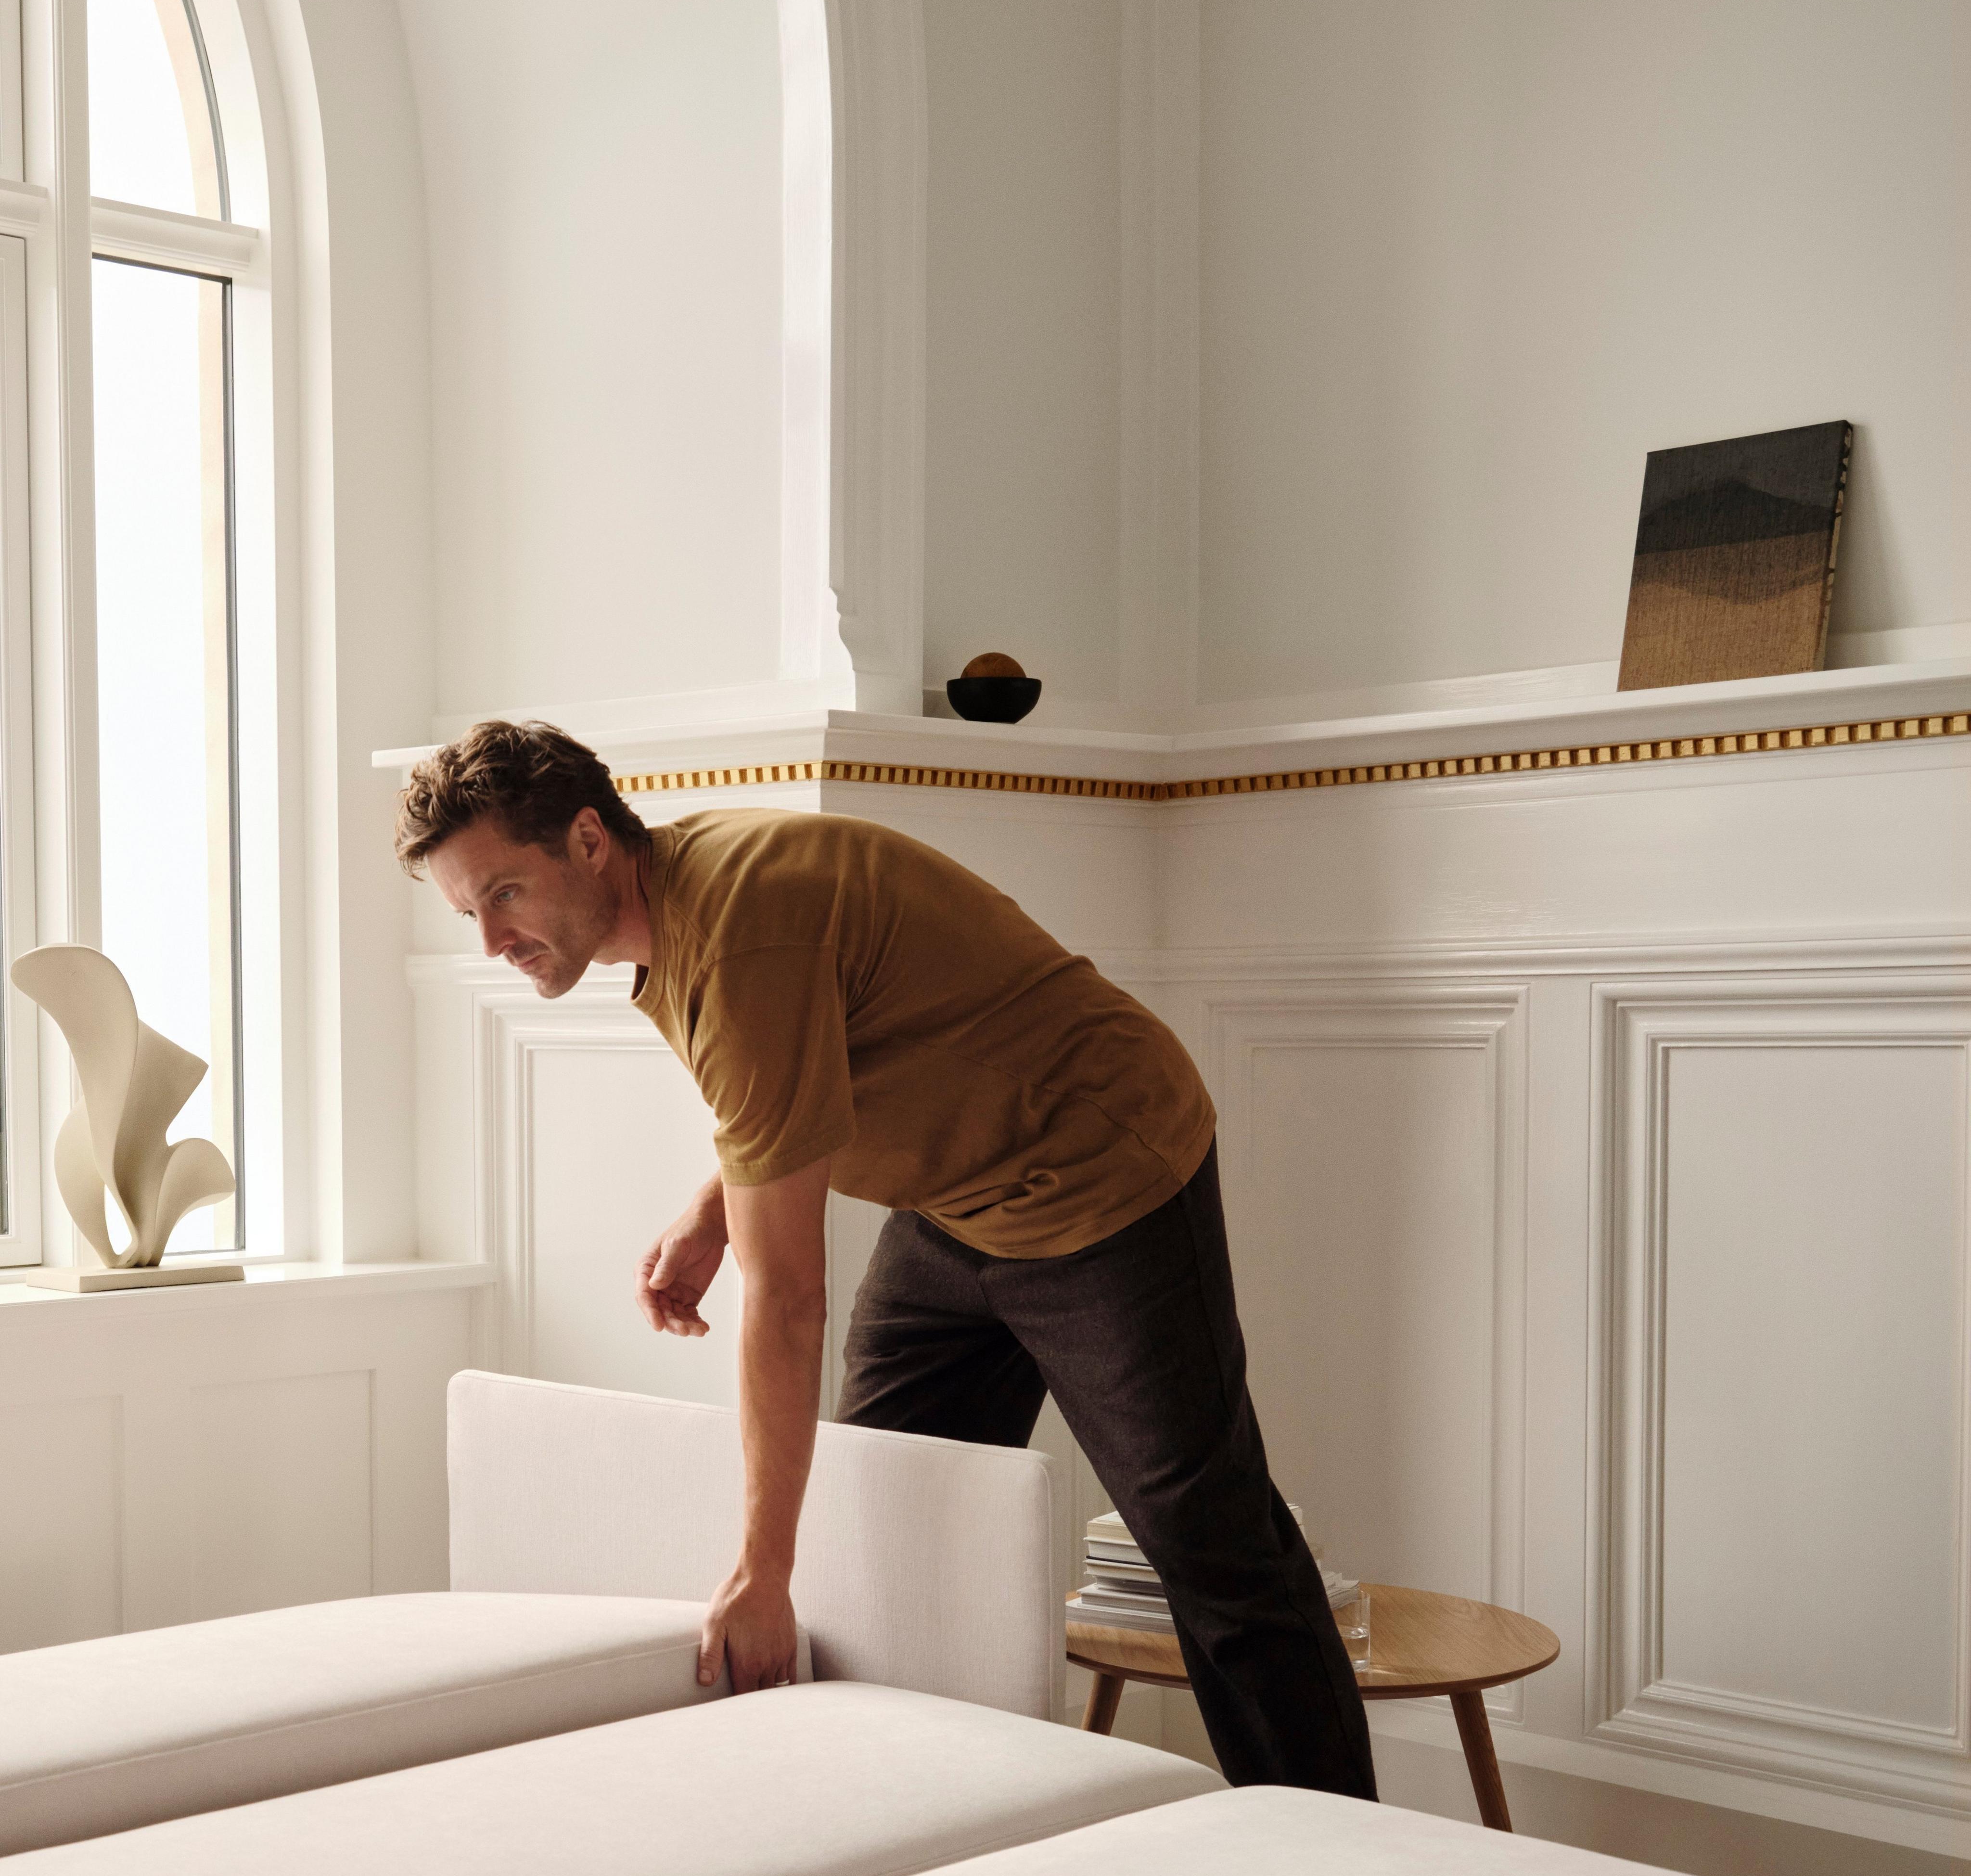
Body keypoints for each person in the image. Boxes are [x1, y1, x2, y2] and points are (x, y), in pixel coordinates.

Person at [397, 717, 1374, 1798]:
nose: (491, 941)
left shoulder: (732, 926)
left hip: (1100, 1173)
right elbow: (807, 1065)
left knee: (1210, 1541)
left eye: (501, 895)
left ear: (587, 841)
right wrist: (717, 1206)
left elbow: (789, 1302)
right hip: (950, 1201)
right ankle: (925, 1817)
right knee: (888, 1529)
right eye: (467, 912)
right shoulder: (678, 906)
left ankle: (1347, 1846)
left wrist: (762, 1577)